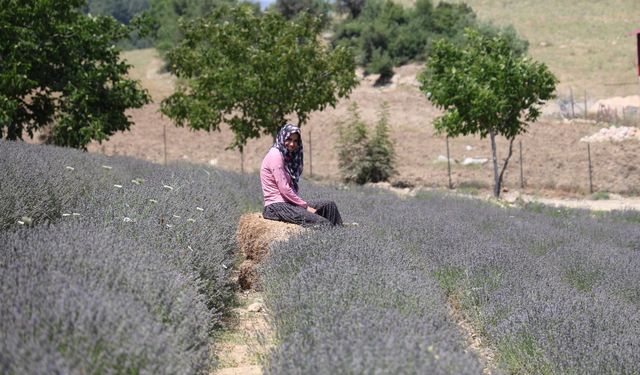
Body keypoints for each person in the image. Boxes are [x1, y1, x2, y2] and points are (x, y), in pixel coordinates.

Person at [260, 124, 343, 227]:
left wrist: (300, 205)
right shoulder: (275, 155)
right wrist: (305, 207)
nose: (292, 144)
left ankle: (340, 233)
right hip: (276, 207)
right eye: (289, 139)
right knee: (323, 223)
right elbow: (284, 189)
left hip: (288, 204)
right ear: (282, 137)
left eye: (295, 141)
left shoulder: (286, 156)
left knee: (329, 205)